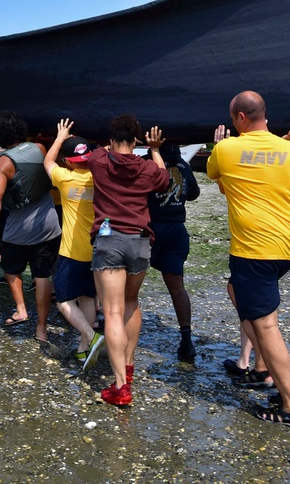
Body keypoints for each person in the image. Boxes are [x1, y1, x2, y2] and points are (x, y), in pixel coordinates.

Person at [207, 91, 290, 428]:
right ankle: (264, 370)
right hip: (288, 245)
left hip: (256, 249)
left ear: (239, 119)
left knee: (265, 324)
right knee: (238, 290)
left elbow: (217, 179)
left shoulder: (225, 148)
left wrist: (224, 144)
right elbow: (288, 185)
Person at [87, 114, 169, 407]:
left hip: (109, 240)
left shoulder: (99, 161)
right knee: (131, 302)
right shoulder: (147, 167)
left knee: (111, 311)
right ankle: (129, 366)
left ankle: (120, 386)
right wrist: (155, 150)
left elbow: (92, 153)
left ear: (111, 140)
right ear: (137, 140)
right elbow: (164, 180)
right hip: (139, 241)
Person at [0, 110, 61, 344]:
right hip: (49, 224)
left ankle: (21, 308)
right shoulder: (39, 148)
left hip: (19, 229)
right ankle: (41, 328)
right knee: (42, 276)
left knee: (10, 269)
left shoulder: (2, 164)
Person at [43, 119, 106, 370]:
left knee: (63, 301)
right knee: (87, 297)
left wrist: (60, 137)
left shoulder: (65, 178)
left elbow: (47, 162)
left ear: (68, 161)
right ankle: (84, 348)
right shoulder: (99, 178)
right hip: (98, 250)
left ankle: (92, 337)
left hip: (71, 250)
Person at [145, 141, 201, 361]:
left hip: (150, 230)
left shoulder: (146, 164)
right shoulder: (183, 165)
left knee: (131, 287)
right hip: (177, 230)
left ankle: (116, 329)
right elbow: (194, 193)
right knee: (177, 288)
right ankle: (186, 338)